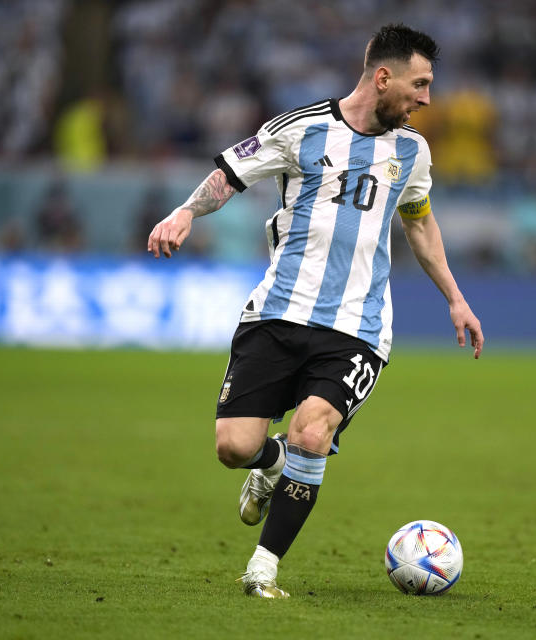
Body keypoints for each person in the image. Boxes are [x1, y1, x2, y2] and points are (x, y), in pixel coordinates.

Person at [147, 23, 483, 598]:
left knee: (311, 431)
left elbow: (420, 222)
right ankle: (269, 465)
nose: (427, 98)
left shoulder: (412, 152)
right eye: (420, 84)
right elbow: (230, 175)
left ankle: (263, 569)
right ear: (384, 77)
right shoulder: (299, 129)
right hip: (277, 313)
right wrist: (184, 213)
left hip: (357, 328)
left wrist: (455, 297)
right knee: (233, 447)